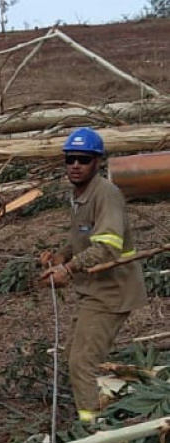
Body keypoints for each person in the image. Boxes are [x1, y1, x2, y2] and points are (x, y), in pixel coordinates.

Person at [39, 127, 147, 424]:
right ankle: (98, 402)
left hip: (112, 291)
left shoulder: (106, 194)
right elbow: (82, 238)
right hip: (94, 290)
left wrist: (68, 269)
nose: (75, 165)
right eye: (70, 159)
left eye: (83, 159)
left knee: (81, 361)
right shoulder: (80, 194)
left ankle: (91, 429)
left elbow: (107, 246)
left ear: (97, 161)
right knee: (74, 352)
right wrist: (62, 255)